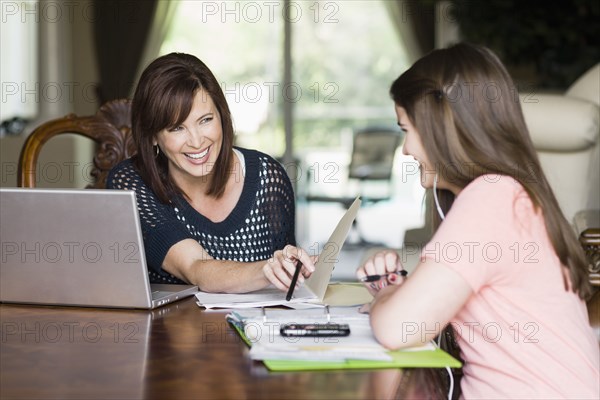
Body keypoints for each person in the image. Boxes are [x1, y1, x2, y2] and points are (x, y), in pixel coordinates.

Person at [356, 43, 600, 399]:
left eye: (406, 129)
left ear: (443, 127)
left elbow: (398, 328)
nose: (406, 149)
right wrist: (398, 290)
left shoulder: (492, 198)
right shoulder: (506, 195)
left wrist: (389, 295)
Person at [107, 52, 314, 293]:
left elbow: (287, 292)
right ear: (153, 135)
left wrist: (291, 267)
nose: (196, 141)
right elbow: (196, 267)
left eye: (205, 120)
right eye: (176, 128)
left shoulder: (269, 178)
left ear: (222, 116)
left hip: (255, 330)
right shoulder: (132, 183)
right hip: (170, 331)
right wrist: (268, 269)